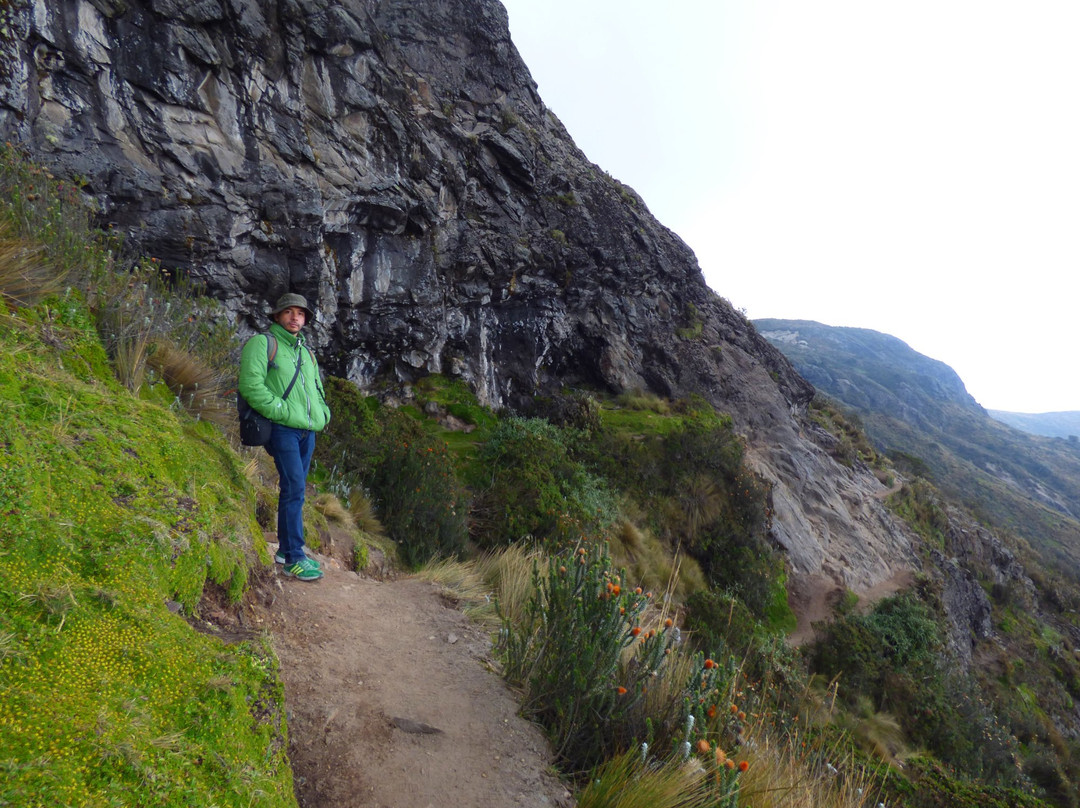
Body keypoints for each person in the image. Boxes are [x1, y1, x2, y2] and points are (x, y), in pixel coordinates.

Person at [238, 293, 332, 582]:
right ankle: (294, 557)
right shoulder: (263, 344)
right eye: (289, 312)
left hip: (308, 431)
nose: (295, 318)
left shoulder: (307, 352)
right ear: (277, 316)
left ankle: (284, 549)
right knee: (294, 488)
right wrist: (279, 410)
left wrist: (323, 413)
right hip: (282, 429)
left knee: (296, 488)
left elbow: (316, 388)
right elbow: (251, 385)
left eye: (300, 314)